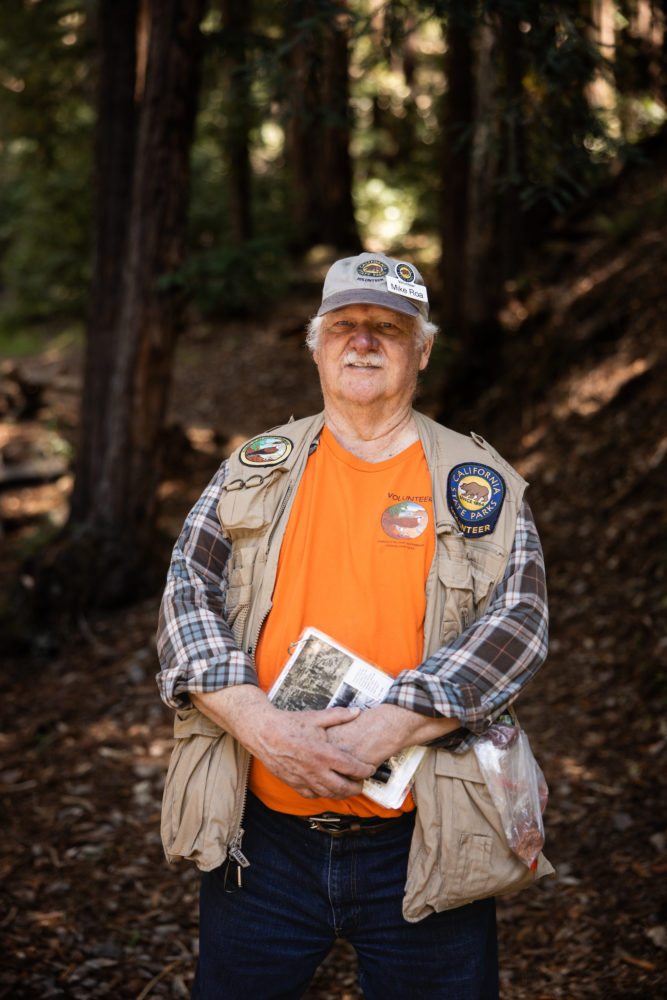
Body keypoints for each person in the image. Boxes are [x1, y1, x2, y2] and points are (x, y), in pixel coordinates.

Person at [156, 252, 551, 1000]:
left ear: (422, 349)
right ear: (316, 344)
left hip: (427, 837)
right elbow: (186, 588)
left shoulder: (479, 483)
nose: (362, 341)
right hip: (262, 841)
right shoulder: (254, 467)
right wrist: (259, 723)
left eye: (387, 328)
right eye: (344, 325)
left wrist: (393, 725)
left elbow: (520, 619)